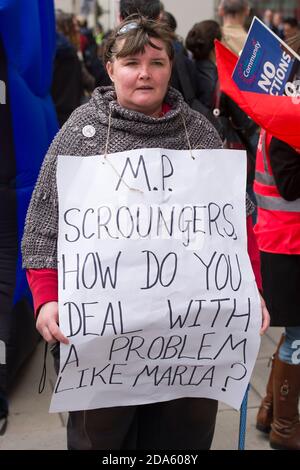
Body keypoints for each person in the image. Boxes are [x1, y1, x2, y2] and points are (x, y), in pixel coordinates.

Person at [22, 15, 269, 450]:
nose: (144, 73)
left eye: (156, 62)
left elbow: (235, 224)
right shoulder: (81, 135)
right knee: (103, 444)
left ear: (170, 68)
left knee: (181, 445)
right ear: (110, 68)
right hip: (102, 346)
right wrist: (47, 299)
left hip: (190, 342)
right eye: (132, 62)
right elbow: (43, 230)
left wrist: (252, 292)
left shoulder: (196, 133)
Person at [254, 34, 300, 451]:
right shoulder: (287, 124)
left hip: (287, 244)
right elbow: (289, 186)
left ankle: (271, 410)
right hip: (287, 248)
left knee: (296, 336)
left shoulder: (287, 118)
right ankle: (287, 429)